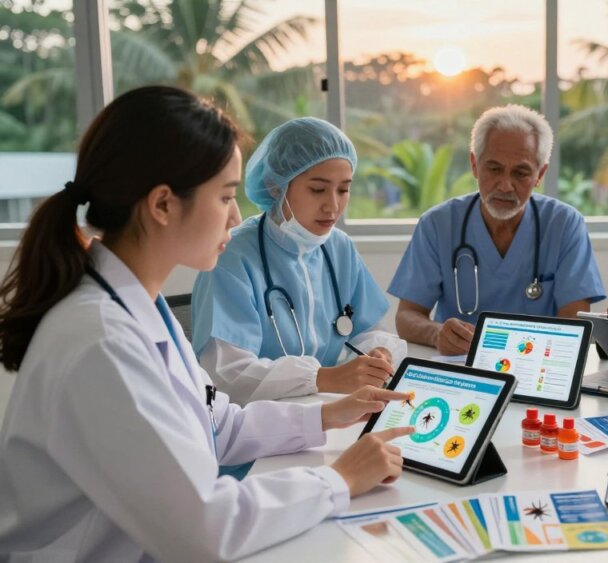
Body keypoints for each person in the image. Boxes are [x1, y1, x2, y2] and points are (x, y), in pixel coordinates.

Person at [0, 86, 414, 561]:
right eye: (224, 197)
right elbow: (206, 528)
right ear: (162, 205)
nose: (237, 215)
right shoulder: (101, 340)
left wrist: (329, 413)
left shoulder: (140, 309)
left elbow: (220, 428)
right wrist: (338, 480)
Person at [191, 117, 407, 404]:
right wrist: (326, 378)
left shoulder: (339, 248)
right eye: (318, 189)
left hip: (332, 408)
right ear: (274, 187)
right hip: (260, 423)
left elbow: (367, 330)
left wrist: (377, 354)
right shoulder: (233, 256)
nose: (333, 206)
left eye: (343, 190)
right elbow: (226, 376)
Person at [389, 104, 605, 355]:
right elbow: (407, 315)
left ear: (540, 174)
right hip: (460, 367)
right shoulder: (438, 224)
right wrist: (436, 334)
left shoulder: (565, 224)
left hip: (535, 365)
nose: (505, 185)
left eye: (520, 173)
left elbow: (575, 323)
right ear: (474, 164)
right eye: (494, 169)